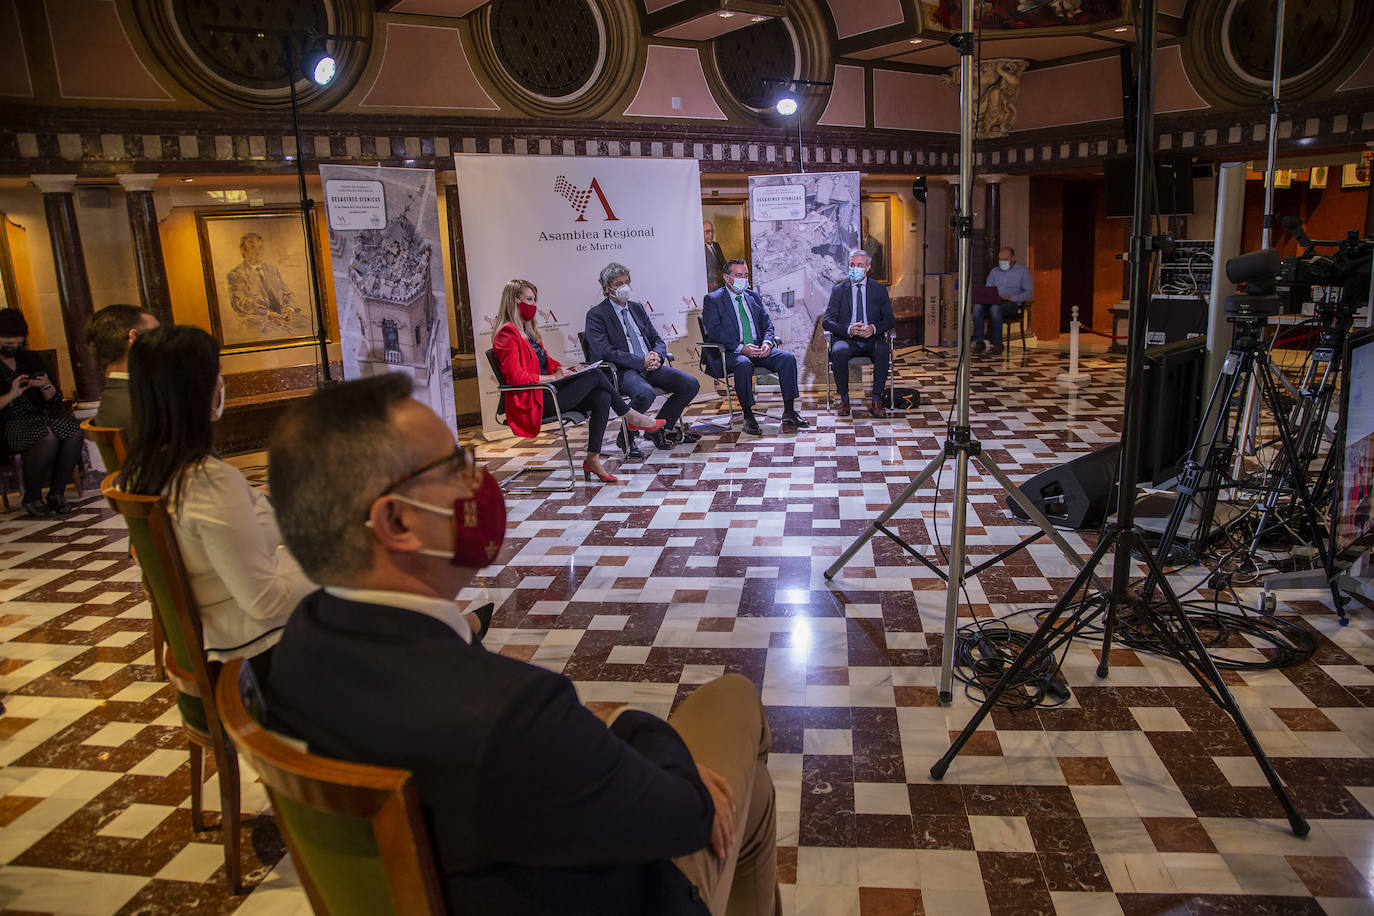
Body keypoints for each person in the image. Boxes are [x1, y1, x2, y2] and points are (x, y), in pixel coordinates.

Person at [265, 374, 780, 916]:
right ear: (396, 521)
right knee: (735, 704)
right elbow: (688, 816)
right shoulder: (510, 713)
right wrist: (631, 724)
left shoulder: (301, 641)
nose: (479, 479)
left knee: (753, 794)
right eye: (456, 465)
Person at [491, 278, 663, 483]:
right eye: (528, 299)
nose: (533, 305)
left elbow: (545, 360)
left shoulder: (528, 332)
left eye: (535, 299)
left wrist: (559, 368)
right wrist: (552, 377)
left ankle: (593, 459)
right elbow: (516, 378)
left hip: (545, 391)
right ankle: (632, 417)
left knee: (601, 397)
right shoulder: (506, 335)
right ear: (513, 301)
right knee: (596, 375)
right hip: (533, 401)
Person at [584, 262, 700, 458]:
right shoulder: (596, 315)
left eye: (626, 282)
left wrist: (657, 355)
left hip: (651, 365)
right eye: (618, 283)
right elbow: (604, 351)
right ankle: (626, 436)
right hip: (623, 370)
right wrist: (640, 362)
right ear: (606, 288)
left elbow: (656, 339)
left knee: (690, 384)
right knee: (645, 394)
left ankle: (658, 429)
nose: (624, 287)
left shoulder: (637, 308)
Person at [701, 260, 807, 436]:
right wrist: (741, 348)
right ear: (727, 278)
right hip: (730, 352)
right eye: (739, 275)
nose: (744, 279)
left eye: (746, 275)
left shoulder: (753, 297)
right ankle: (748, 416)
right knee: (743, 364)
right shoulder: (713, 300)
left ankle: (789, 411)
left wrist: (766, 343)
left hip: (758, 349)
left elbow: (768, 325)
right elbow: (714, 332)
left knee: (787, 358)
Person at [0, 309, 84, 518]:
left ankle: (57, 493)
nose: (13, 349)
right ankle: (33, 496)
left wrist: (45, 384)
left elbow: (55, 399)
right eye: (8, 345)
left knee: (73, 430)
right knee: (46, 435)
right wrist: (12, 393)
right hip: (8, 423)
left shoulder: (29, 358)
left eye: (18, 344)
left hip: (40, 414)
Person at [823, 249, 894, 419]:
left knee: (883, 350)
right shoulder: (839, 290)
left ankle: (877, 401)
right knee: (838, 351)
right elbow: (827, 321)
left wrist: (874, 328)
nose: (855, 269)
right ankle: (844, 400)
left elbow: (890, 320)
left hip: (872, 339)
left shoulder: (879, 289)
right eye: (852, 265)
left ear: (867, 267)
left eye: (859, 265)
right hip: (848, 339)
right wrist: (848, 329)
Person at [85, 303, 159, 436]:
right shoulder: (144, 404)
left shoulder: (114, 395)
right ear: (135, 338)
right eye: (158, 334)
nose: (164, 341)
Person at [226, 232, 301, 333]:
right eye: (253, 248)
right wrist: (268, 314)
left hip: (282, 318)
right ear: (243, 251)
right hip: (257, 322)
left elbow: (287, 293)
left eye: (261, 248)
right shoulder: (236, 275)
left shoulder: (272, 269)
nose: (258, 252)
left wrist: (290, 309)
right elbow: (240, 305)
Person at [976, 246, 1033, 354]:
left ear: (1013, 258)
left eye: (1005, 259)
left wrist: (1013, 297)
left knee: (995, 309)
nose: (1002, 262)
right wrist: (987, 296)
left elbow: (1029, 293)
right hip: (994, 300)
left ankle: (998, 343)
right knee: (978, 308)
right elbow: (988, 288)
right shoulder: (994, 271)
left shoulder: (1023, 271)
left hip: (1011, 303)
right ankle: (979, 342)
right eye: (1000, 259)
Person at [703, 220, 727, 293]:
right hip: (708, 288)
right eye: (707, 231)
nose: (711, 234)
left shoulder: (716, 245)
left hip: (721, 285)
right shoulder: (699, 248)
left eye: (712, 231)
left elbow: (723, 264)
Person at [860, 216, 885, 280]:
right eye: (861, 226)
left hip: (871, 279)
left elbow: (877, 268)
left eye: (865, 226)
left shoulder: (875, 243)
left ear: (868, 227)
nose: (863, 229)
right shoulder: (853, 241)